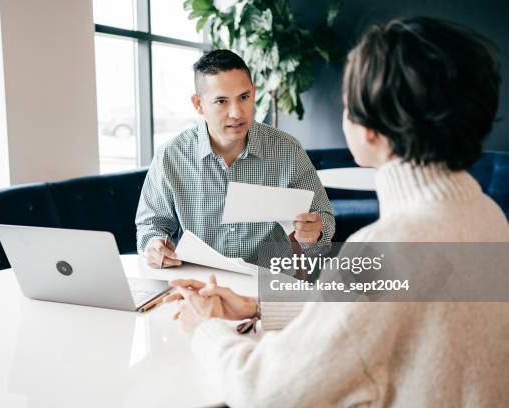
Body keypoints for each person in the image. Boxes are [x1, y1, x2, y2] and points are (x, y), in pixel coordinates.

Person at [167, 17, 509, 407]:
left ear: (371, 130)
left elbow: (263, 391)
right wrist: (260, 306)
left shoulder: (385, 248)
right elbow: (393, 309)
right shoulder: (488, 216)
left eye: (347, 106)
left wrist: (205, 328)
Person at [135, 50, 335, 268]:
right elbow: (151, 225)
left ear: (254, 93)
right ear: (198, 104)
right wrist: (154, 245)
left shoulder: (288, 150)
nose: (237, 113)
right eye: (221, 101)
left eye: (244, 97)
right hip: (201, 284)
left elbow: (323, 216)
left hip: (268, 283)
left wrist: (315, 231)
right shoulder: (170, 157)